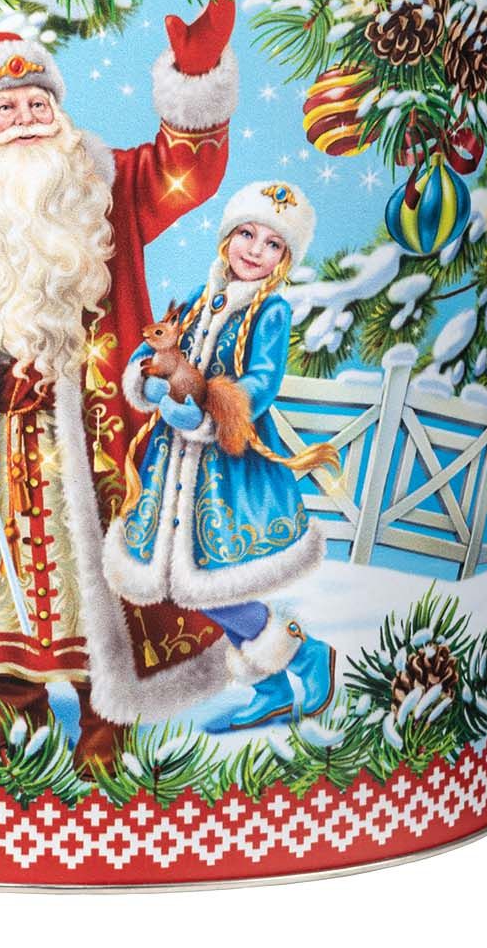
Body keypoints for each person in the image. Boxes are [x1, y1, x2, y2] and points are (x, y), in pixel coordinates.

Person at [0, 0, 241, 772]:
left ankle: (105, 712)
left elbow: (184, 174)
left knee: (96, 567)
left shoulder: (106, 185)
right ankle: (14, 700)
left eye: (37, 104)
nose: (26, 119)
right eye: (6, 107)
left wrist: (195, 84)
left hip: (93, 435)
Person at [104, 181, 337, 731]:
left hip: (226, 469)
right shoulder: (199, 296)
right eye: (247, 235)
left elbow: (263, 380)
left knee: (213, 582)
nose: (255, 250)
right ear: (227, 237)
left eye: (272, 244)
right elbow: (152, 349)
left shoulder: (270, 310)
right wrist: (147, 380)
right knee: (183, 583)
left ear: (284, 258)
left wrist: (209, 415)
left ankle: (304, 653)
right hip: (172, 470)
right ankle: (272, 687)